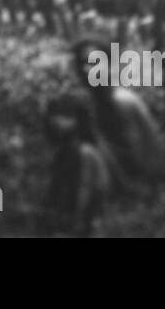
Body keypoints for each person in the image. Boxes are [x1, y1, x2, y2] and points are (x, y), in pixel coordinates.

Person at [72, 36, 165, 190]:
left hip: (139, 187)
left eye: (93, 63)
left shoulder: (121, 101)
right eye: (81, 64)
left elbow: (146, 153)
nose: (85, 70)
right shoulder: (92, 104)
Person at [40, 93, 111, 237]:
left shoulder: (86, 153)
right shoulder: (61, 154)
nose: (57, 121)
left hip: (83, 226)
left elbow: (85, 192)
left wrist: (72, 227)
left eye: (65, 116)